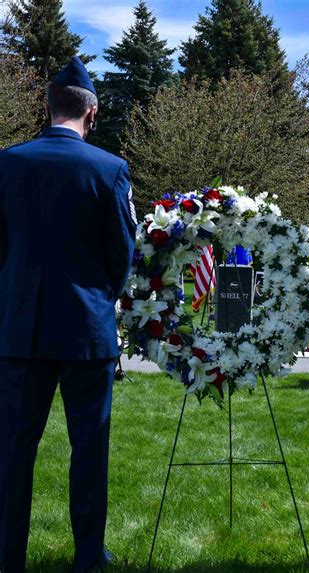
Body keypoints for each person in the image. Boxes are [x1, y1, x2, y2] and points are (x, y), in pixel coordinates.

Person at [0, 57, 136, 572]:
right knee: (89, 449)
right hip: (85, 330)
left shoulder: (8, 163)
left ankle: (8, 557)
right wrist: (99, 298)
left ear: (46, 106)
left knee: (12, 452)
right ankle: (86, 557)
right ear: (92, 113)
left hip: (19, 331)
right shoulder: (109, 169)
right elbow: (121, 254)